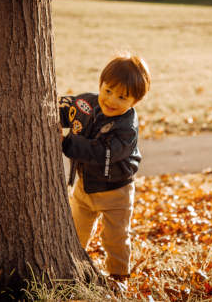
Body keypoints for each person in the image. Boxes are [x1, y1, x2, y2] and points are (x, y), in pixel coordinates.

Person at [58, 52, 151, 286]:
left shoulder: (127, 129)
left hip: (116, 193)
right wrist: (55, 115)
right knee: (75, 231)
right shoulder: (88, 103)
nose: (111, 100)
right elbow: (69, 109)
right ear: (101, 85)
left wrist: (66, 143)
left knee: (115, 238)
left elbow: (101, 152)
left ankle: (119, 277)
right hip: (85, 188)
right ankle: (73, 268)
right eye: (108, 90)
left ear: (134, 102)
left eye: (122, 97)